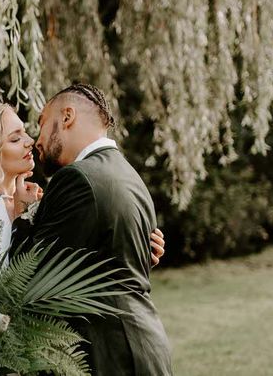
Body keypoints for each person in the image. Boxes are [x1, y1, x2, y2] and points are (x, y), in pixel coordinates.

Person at [10, 83, 173, 375]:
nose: (37, 140)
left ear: (68, 116)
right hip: (142, 346)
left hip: (109, 354)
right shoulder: (129, 175)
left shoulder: (77, 178)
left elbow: (32, 273)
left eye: (42, 124)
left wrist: (17, 216)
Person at [0, 99, 165, 273]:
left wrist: (133, 250)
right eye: (15, 139)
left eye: (25, 133)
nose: (30, 141)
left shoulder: (43, 205)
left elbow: (71, 267)